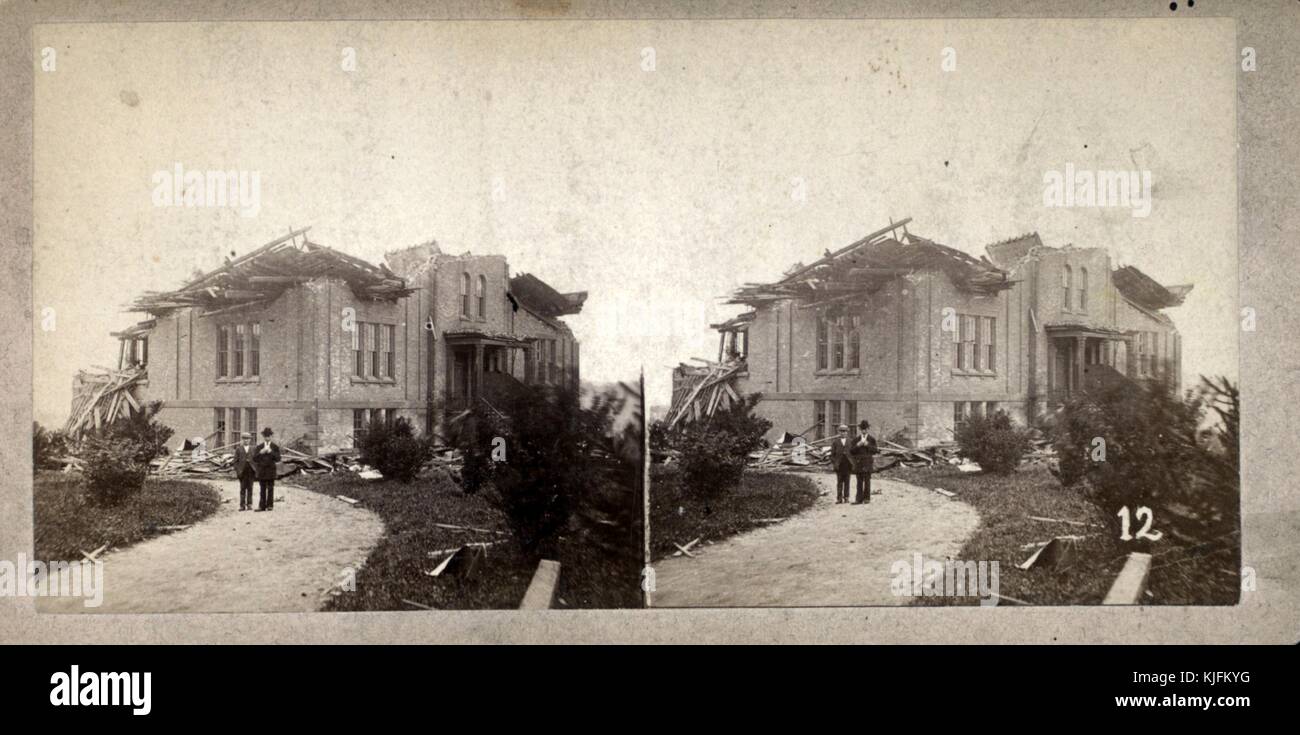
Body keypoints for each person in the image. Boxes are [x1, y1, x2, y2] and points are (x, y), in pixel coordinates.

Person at [851, 419, 879, 504]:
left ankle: (867, 498)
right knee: (859, 481)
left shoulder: (871, 439)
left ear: (868, 429)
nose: (864, 430)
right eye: (862, 429)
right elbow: (851, 451)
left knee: (867, 481)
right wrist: (857, 445)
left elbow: (875, 450)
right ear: (860, 429)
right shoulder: (856, 440)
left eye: (865, 429)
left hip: (867, 462)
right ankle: (858, 499)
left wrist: (868, 445)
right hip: (859, 462)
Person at [253, 427, 281, 512]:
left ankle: (270, 505)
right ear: (263, 437)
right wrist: (260, 453)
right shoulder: (259, 447)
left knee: (270, 488)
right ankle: (262, 506)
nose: (267, 438)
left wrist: (271, 452)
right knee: (262, 489)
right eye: (265, 436)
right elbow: (254, 459)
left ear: (271, 436)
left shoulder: (275, 447)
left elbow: (278, 459)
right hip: (262, 471)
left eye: (268, 436)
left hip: (271, 471)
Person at [828, 424, 853, 504]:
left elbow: (853, 453)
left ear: (847, 432)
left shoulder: (850, 441)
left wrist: (852, 462)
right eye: (841, 431)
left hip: (848, 464)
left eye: (845, 431)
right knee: (839, 482)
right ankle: (839, 498)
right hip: (839, 465)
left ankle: (846, 497)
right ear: (839, 432)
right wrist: (835, 462)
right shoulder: (835, 442)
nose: (843, 433)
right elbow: (832, 455)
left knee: (847, 482)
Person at [232, 432, 256, 511]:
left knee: (250, 488)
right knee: (242, 489)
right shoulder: (239, 449)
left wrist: (255, 468)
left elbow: (257, 460)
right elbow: (235, 461)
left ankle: (249, 504)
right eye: (245, 439)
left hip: (251, 471)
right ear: (242, 440)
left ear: (250, 440)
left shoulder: (253, 449)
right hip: (242, 472)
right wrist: (238, 470)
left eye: (248, 439)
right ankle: (242, 505)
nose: (246, 440)